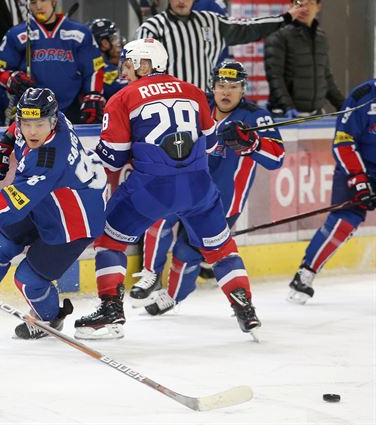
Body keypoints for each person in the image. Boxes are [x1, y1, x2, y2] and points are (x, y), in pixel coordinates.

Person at [73, 39, 261, 340]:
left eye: (129, 62)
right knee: (221, 250)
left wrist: (87, 159)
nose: (125, 68)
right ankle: (245, 307)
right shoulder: (194, 92)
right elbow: (212, 146)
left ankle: (110, 309)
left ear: (145, 64)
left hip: (151, 189)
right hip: (199, 188)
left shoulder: (122, 98)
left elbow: (114, 157)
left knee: (109, 240)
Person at [0, 87, 107, 338]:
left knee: (28, 280)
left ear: (51, 120)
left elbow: (13, 204)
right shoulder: (55, 119)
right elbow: (17, 129)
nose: (32, 131)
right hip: (44, 203)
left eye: (38, 124)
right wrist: (5, 141)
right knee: (0, 242)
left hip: (72, 223)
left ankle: (50, 319)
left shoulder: (47, 158)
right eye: (26, 123)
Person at [132, 61, 285, 316]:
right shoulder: (197, 106)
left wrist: (253, 143)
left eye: (233, 86)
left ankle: (172, 296)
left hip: (221, 202)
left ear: (243, 89)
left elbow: (277, 158)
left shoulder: (255, 117)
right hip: (184, 187)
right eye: (221, 85)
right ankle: (150, 274)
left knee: (186, 252)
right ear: (212, 87)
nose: (226, 92)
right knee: (158, 217)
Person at [136, 0, 308, 93]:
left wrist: (286, 17)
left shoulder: (211, 21)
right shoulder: (152, 28)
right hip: (164, 106)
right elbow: (139, 75)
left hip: (203, 105)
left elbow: (250, 28)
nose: (182, 0)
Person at [287, 78, 376, 304]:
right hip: (357, 166)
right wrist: (359, 179)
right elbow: (343, 140)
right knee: (344, 221)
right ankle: (306, 273)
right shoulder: (363, 96)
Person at [0, 0, 105, 124]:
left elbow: (94, 69)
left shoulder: (79, 33)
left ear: (53, 1)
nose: (39, 6)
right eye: (33, 2)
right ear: (28, 6)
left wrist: (93, 95)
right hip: (32, 109)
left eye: (43, 0)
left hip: (72, 109)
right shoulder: (17, 34)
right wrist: (11, 78)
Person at [264, 0, 345, 118]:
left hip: (316, 114)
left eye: (310, 2)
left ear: (318, 7)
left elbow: (325, 77)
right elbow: (275, 77)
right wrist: (287, 107)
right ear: (291, 5)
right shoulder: (278, 35)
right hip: (285, 116)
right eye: (299, 2)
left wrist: (344, 105)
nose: (304, 8)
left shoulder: (321, 37)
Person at [87, 18, 128, 100]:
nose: (119, 43)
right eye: (114, 38)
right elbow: (127, 88)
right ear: (105, 44)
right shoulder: (100, 69)